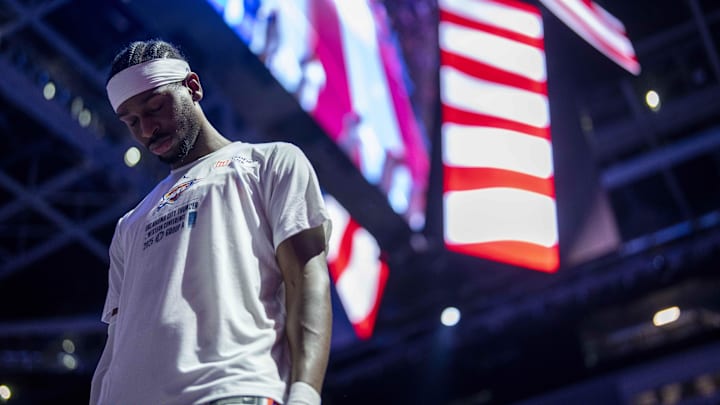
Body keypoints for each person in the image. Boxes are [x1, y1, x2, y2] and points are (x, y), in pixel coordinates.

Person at [90, 39, 332, 405]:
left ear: (192, 87)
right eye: (132, 121)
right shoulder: (129, 224)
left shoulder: (271, 163)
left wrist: (305, 394)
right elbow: (116, 341)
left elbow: (308, 280)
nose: (146, 129)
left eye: (155, 107)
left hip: (229, 389)